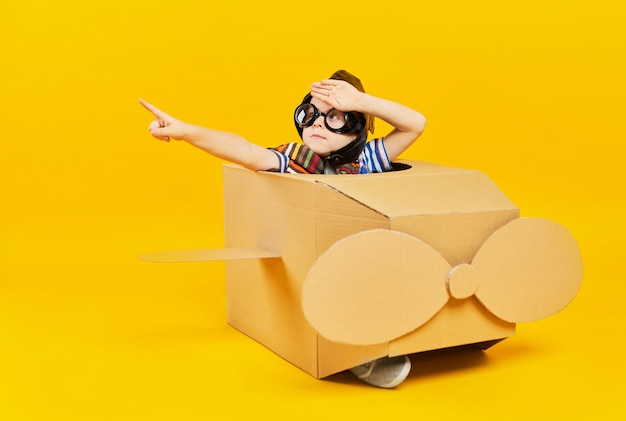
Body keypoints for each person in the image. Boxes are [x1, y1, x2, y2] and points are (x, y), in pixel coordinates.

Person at [140, 70, 427, 387]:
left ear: (359, 125)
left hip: (366, 260)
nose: (318, 123)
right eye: (312, 114)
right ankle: (356, 351)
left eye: (336, 116)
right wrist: (187, 131)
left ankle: (377, 334)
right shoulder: (294, 160)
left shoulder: (369, 159)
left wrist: (363, 101)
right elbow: (245, 151)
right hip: (312, 266)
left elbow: (415, 124)